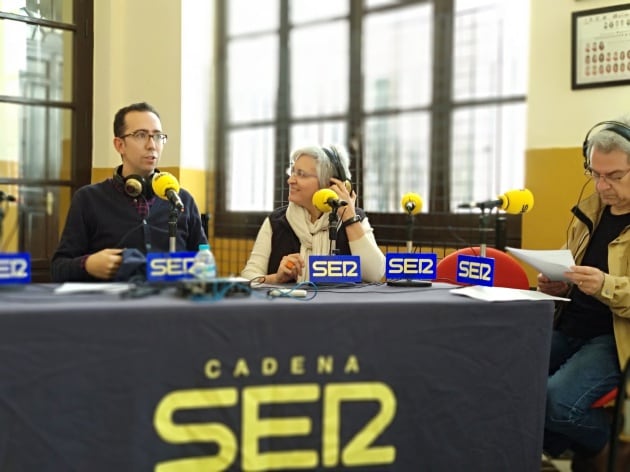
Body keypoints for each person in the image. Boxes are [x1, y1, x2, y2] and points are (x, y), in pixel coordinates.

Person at [539, 117, 630, 471]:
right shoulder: (589, 210)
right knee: (506, 371)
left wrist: (606, 285)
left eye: (615, 176)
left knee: (555, 403)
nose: (601, 185)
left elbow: (607, 285)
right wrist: (557, 282)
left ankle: (604, 448)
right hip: (569, 323)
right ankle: (557, 446)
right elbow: (568, 261)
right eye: (594, 173)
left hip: (613, 337)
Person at [51, 102, 207, 282]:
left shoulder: (181, 199)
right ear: (119, 145)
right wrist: (88, 264)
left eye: (157, 136)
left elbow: (205, 265)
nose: (152, 145)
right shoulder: (88, 199)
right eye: (141, 135)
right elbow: (58, 268)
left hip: (169, 305)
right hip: (113, 306)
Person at [241, 144, 385, 284]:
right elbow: (248, 277)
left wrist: (349, 218)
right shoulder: (276, 221)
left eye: (301, 174)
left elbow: (375, 274)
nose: (290, 180)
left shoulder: (354, 218)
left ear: (330, 184)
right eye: (292, 172)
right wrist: (275, 279)